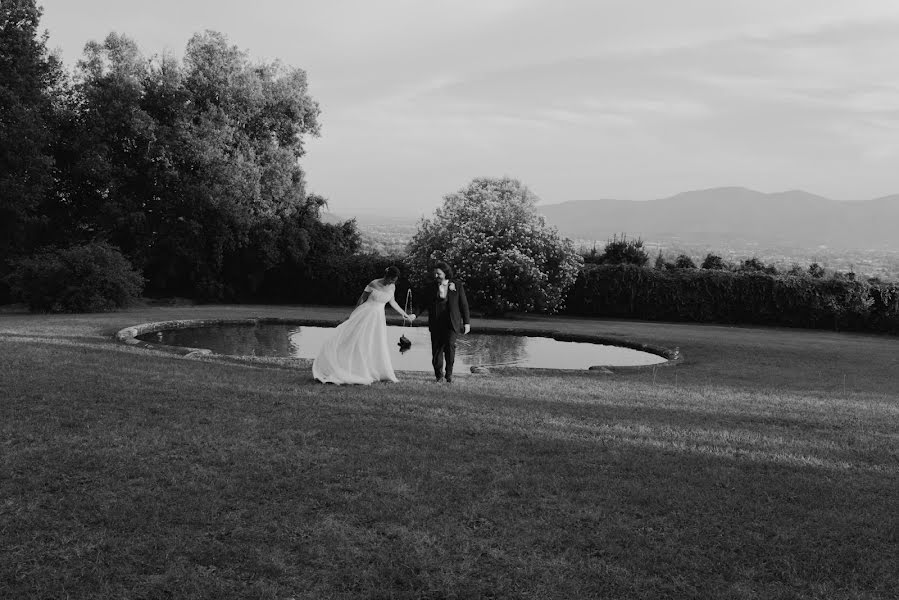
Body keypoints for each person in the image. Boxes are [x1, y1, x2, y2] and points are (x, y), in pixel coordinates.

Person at [312, 266, 415, 385]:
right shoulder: (373, 283)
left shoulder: (392, 286)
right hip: (365, 314)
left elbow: (393, 302)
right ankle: (351, 367)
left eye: (395, 280)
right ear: (387, 276)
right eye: (392, 279)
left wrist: (405, 314)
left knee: (375, 342)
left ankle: (373, 369)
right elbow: (362, 299)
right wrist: (354, 314)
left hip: (378, 318)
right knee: (358, 340)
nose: (393, 282)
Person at [415, 261, 471, 383]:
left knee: (450, 347)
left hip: (451, 323)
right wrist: (415, 314)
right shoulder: (430, 287)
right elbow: (423, 303)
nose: (436, 276)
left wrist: (466, 323)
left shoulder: (457, 285)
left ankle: (449, 374)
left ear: (445, 273)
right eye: (435, 273)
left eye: (438, 274)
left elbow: (464, 304)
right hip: (436, 322)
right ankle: (439, 376)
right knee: (437, 350)